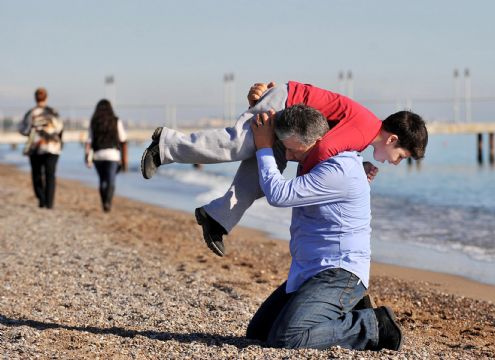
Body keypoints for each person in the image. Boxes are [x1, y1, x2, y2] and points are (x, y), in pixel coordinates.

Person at [141, 81, 428, 256]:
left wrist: (354, 167)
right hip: (283, 106)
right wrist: (308, 186)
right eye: (400, 155)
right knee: (235, 144)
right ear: (392, 139)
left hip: (291, 122)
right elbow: (324, 151)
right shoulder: (365, 129)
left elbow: (326, 151)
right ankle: (165, 144)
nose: (395, 162)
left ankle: (217, 217)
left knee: (262, 174)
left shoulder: (362, 137)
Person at [245, 104, 403, 351]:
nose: (287, 156)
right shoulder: (318, 161)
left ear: (317, 141)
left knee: (287, 338)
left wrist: (264, 147)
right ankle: (345, 310)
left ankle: (371, 325)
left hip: (340, 272)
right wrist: (262, 101)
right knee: (258, 333)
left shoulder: (338, 168)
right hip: (311, 270)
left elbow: (278, 195)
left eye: (290, 149)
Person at [18, 87, 63, 209]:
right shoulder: (54, 112)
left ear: (35, 98)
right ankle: (50, 203)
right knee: (50, 175)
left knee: (36, 174)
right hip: (53, 147)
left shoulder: (30, 113)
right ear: (46, 98)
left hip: (36, 147)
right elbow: (59, 128)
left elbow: (24, 130)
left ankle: (42, 199)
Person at [85, 99, 128, 212]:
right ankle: (107, 202)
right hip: (113, 155)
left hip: (98, 155)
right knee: (111, 180)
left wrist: (87, 157)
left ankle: (104, 201)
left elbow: (89, 141)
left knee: (102, 180)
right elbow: (123, 140)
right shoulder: (116, 121)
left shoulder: (94, 121)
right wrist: (124, 160)